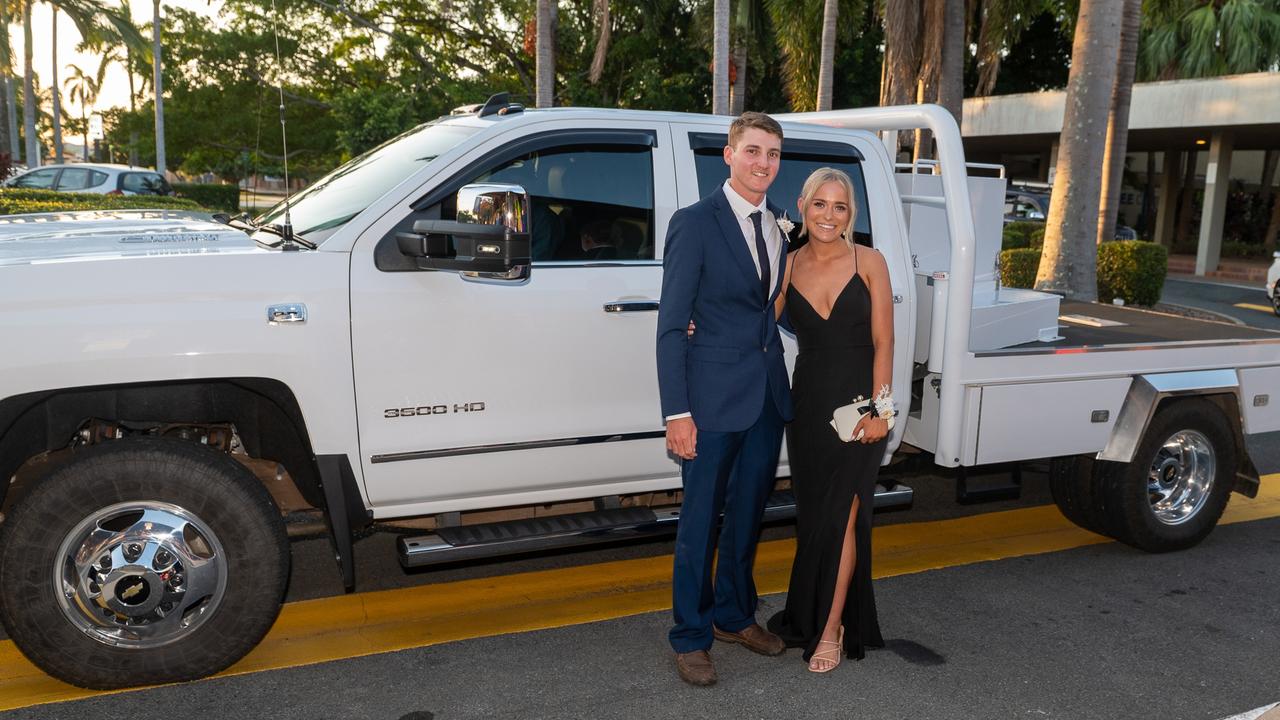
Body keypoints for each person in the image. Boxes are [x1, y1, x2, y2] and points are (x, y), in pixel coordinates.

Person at [655, 111, 794, 687]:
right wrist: (677, 412)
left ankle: (735, 616)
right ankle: (690, 635)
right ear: (729, 155)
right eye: (753, 151)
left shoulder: (778, 226)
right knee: (699, 523)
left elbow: (767, 308)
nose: (764, 163)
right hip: (710, 403)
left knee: (746, 517)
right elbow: (670, 324)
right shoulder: (695, 222)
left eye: (773, 154)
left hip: (764, 397)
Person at [766, 167, 894, 672]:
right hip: (810, 404)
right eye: (820, 204)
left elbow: (885, 342)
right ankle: (813, 609)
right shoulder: (788, 264)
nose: (829, 215)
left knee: (844, 514)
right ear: (802, 207)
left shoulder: (870, 261)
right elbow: (756, 319)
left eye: (840, 207)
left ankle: (830, 629)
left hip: (861, 407)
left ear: (850, 215)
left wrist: (882, 411)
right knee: (817, 516)